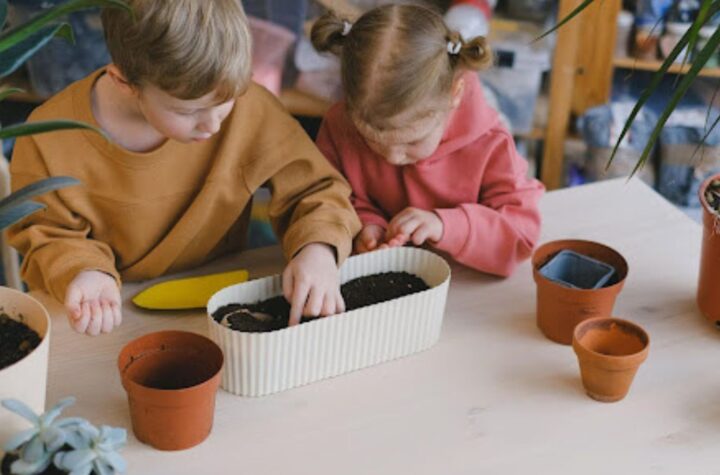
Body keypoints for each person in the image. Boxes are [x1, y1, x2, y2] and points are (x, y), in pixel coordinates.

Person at [9, 0, 361, 335]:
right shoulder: (48, 138)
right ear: (123, 82)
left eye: (225, 101)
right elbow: (47, 235)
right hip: (109, 318)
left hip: (219, 297)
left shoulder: (248, 107)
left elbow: (314, 189)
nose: (213, 125)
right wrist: (82, 270)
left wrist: (317, 248)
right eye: (188, 111)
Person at [311, 4, 544, 277]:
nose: (392, 157)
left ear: (455, 93)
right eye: (372, 140)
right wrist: (367, 226)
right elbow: (331, 198)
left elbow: (520, 237)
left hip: (465, 285)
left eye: (412, 142)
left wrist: (445, 226)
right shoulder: (340, 126)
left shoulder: (491, 142)